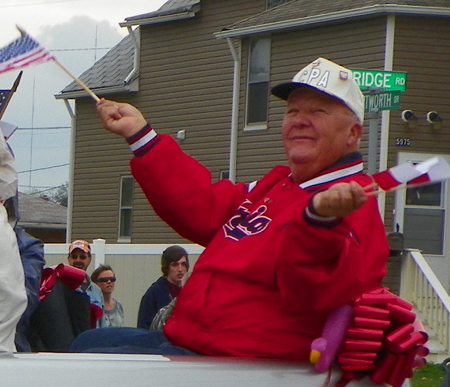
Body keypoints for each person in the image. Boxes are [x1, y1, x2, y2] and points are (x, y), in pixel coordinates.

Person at [71, 58, 389, 360]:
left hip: (244, 359)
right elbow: (201, 206)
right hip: (194, 340)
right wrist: (140, 135)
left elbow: (315, 290)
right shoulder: (276, 187)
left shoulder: (350, 206)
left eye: (318, 111)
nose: (300, 120)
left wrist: (319, 221)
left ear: (353, 134)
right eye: (292, 111)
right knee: (86, 342)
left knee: (79, 371)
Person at [137, 245, 189, 329]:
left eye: (183, 264)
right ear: (167, 267)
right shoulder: (154, 293)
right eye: (175, 264)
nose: (180, 269)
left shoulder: (190, 293)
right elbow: (143, 328)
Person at [67, 240, 104, 327]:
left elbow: (101, 324)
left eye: (83, 257)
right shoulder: (62, 287)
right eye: (74, 256)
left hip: (93, 339)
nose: (78, 260)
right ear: (69, 259)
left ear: (89, 259)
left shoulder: (97, 291)